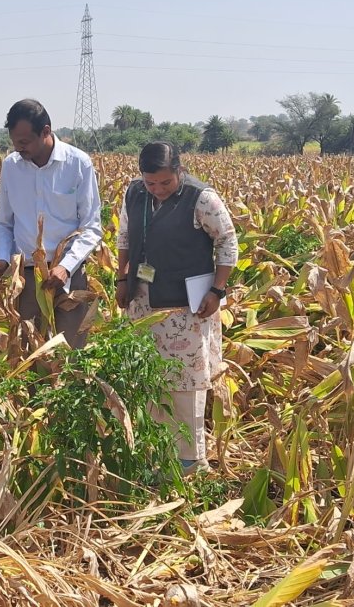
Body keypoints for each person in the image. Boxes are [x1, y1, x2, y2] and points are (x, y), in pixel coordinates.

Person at [116, 141, 238, 475]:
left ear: (179, 171)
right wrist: (122, 279)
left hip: (186, 306)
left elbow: (227, 242)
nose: (157, 189)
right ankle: (157, 453)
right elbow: (124, 237)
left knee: (185, 381)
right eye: (151, 183)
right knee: (148, 376)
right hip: (143, 302)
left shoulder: (202, 198)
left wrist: (217, 290)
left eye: (165, 182)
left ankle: (190, 461)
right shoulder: (135, 194)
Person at [0, 98, 103, 348]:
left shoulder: (78, 163)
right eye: (15, 142)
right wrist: (2, 258)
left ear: (45, 132)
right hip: (27, 279)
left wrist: (65, 267)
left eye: (24, 142)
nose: (19, 148)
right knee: (28, 354)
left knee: (70, 354)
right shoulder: (11, 166)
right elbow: (4, 223)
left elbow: (91, 227)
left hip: (68, 277)